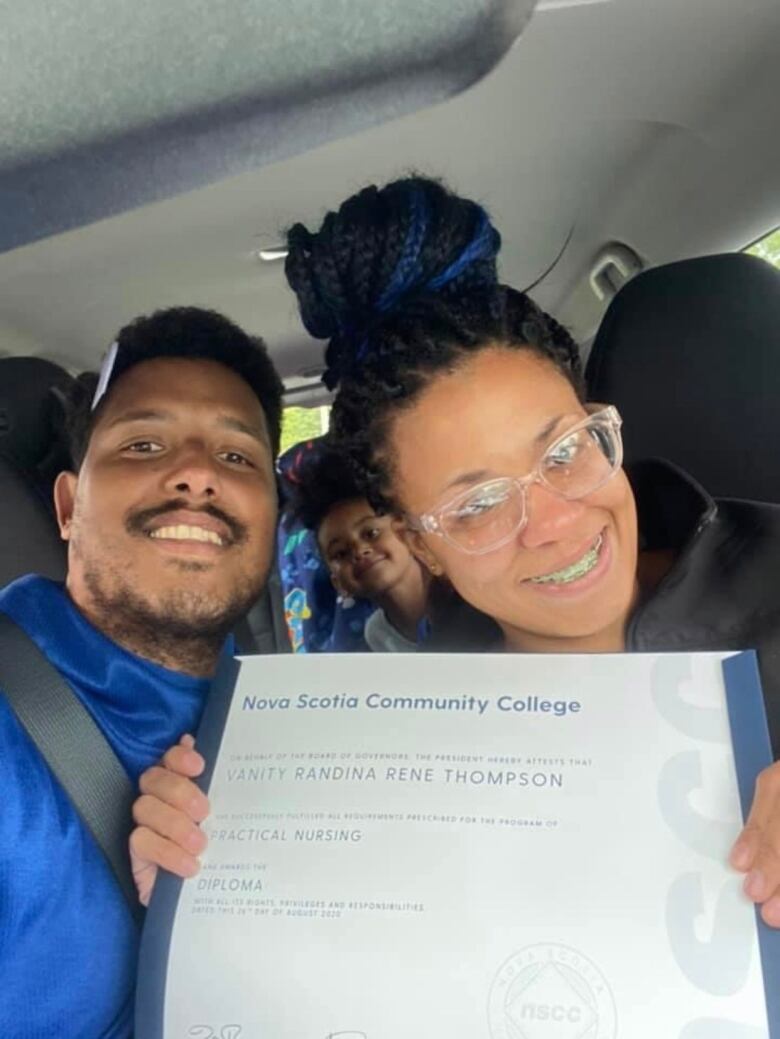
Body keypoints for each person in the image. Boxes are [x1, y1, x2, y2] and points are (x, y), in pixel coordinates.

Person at [133, 177, 780, 928]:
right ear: (421, 546)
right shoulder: (389, 749)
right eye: (476, 504)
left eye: (567, 450)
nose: (553, 522)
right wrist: (206, 889)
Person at [0, 306, 283, 1038]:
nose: (195, 475)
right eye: (145, 443)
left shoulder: (295, 735)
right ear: (67, 507)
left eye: (237, 458)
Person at [292, 444, 428, 651]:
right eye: (340, 553)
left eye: (371, 533)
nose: (359, 550)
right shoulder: (377, 634)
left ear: (407, 532)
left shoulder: (467, 598)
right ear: (338, 583)